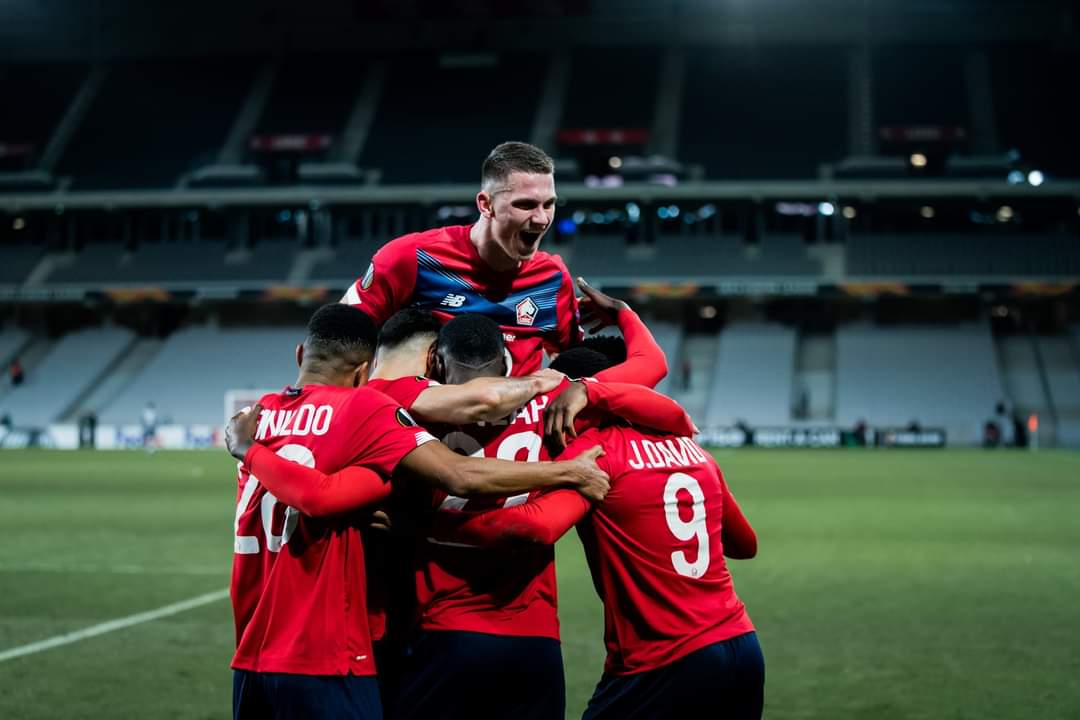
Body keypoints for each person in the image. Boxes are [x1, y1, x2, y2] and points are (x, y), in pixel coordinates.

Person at [228, 304, 609, 720]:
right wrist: (568, 472)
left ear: (301, 354)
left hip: (252, 654)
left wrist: (251, 452)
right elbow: (459, 475)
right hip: (329, 653)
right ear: (362, 370)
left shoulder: (255, 418)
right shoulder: (365, 409)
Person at [429, 346, 764, 720]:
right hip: (742, 646)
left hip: (663, 656)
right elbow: (744, 545)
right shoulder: (692, 448)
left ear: (571, 400)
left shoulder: (596, 452)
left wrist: (430, 525)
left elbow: (538, 526)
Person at [342, 141, 582, 376]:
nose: (541, 218)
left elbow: (571, 360)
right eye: (526, 205)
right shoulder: (413, 258)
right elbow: (337, 335)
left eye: (549, 204)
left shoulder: (553, 278)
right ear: (486, 204)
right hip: (420, 414)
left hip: (513, 414)